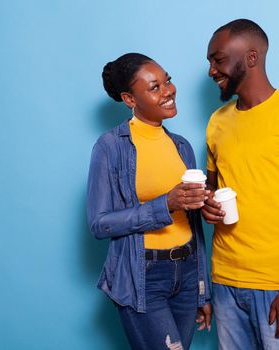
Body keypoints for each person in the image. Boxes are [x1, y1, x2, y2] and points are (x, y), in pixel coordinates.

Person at [202, 19, 279, 349]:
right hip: (224, 279)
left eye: (219, 59)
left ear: (251, 57)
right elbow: (211, 191)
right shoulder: (217, 123)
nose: (212, 70)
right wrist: (207, 206)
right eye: (210, 62)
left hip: (276, 284)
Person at [87, 53, 212, 350]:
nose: (168, 90)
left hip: (188, 270)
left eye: (167, 80)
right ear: (130, 99)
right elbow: (100, 223)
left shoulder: (181, 146)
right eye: (154, 87)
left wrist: (202, 290)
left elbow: (192, 224)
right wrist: (165, 204)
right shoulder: (110, 147)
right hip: (143, 275)